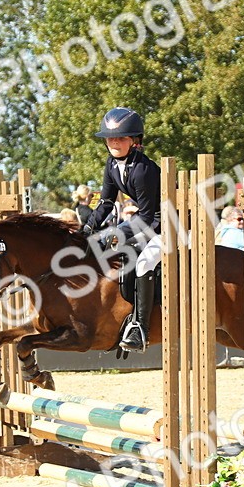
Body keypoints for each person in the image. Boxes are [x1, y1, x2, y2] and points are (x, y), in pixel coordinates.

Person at [80, 106, 160, 352]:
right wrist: (87, 228)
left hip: (167, 224)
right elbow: (105, 202)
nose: (114, 142)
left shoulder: (143, 170)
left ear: (134, 140)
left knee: (145, 261)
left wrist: (114, 235)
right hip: (144, 220)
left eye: (121, 137)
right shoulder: (112, 165)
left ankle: (140, 328)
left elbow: (147, 216)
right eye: (110, 138)